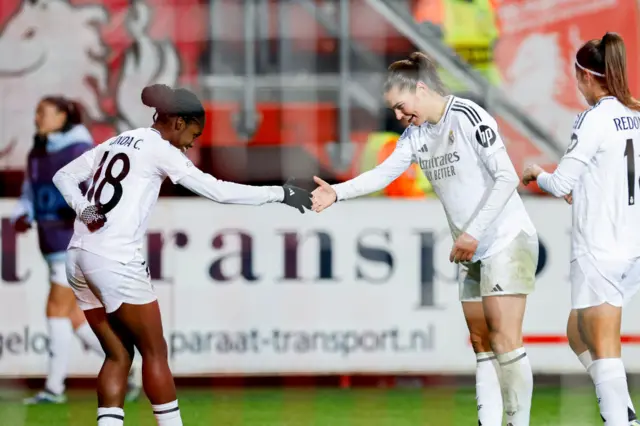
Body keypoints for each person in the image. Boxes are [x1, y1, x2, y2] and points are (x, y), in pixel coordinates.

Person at [52, 84, 312, 426]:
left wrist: (84, 208)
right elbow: (217, 191)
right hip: (114, 259)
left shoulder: (122, 139)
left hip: (78, 257)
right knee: (155, 352)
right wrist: (280, 192)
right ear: (178, 123)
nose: (193, 142)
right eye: (194, 132)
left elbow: (64, 176)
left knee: (117, 355)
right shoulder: (162, 149)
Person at [311, 52, 538, 426]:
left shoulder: (468, 115)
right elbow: (383, 174)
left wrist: (472, 233)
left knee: (505, 340)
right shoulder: (416, 135)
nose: (399, 116)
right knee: (482, 344)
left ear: (419, 89)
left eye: (401, 107)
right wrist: (338, 192)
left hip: (504, 238)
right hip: (471, 248)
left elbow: (507, 178)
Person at [523, 32, 640, 426]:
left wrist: (537, 173)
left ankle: (618, 419)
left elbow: (560, 184)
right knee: (578, 331)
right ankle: (621, 407)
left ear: (587, 76)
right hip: (633, 246)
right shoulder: (635, 115)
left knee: (606, 347)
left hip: (600, 247)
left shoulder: (593, 119)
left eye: (577, 76)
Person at [12, 96, 142, 405]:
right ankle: (127, 361)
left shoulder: (80, 152)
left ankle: (54, 389)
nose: (38, 117)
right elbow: (30, 192)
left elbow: (100, 196)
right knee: (73, 318)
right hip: (50, 242)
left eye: (44, 112)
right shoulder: (38, 151)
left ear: (63, 116)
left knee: (55, 309)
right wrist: (23, 213)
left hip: (73, 243)